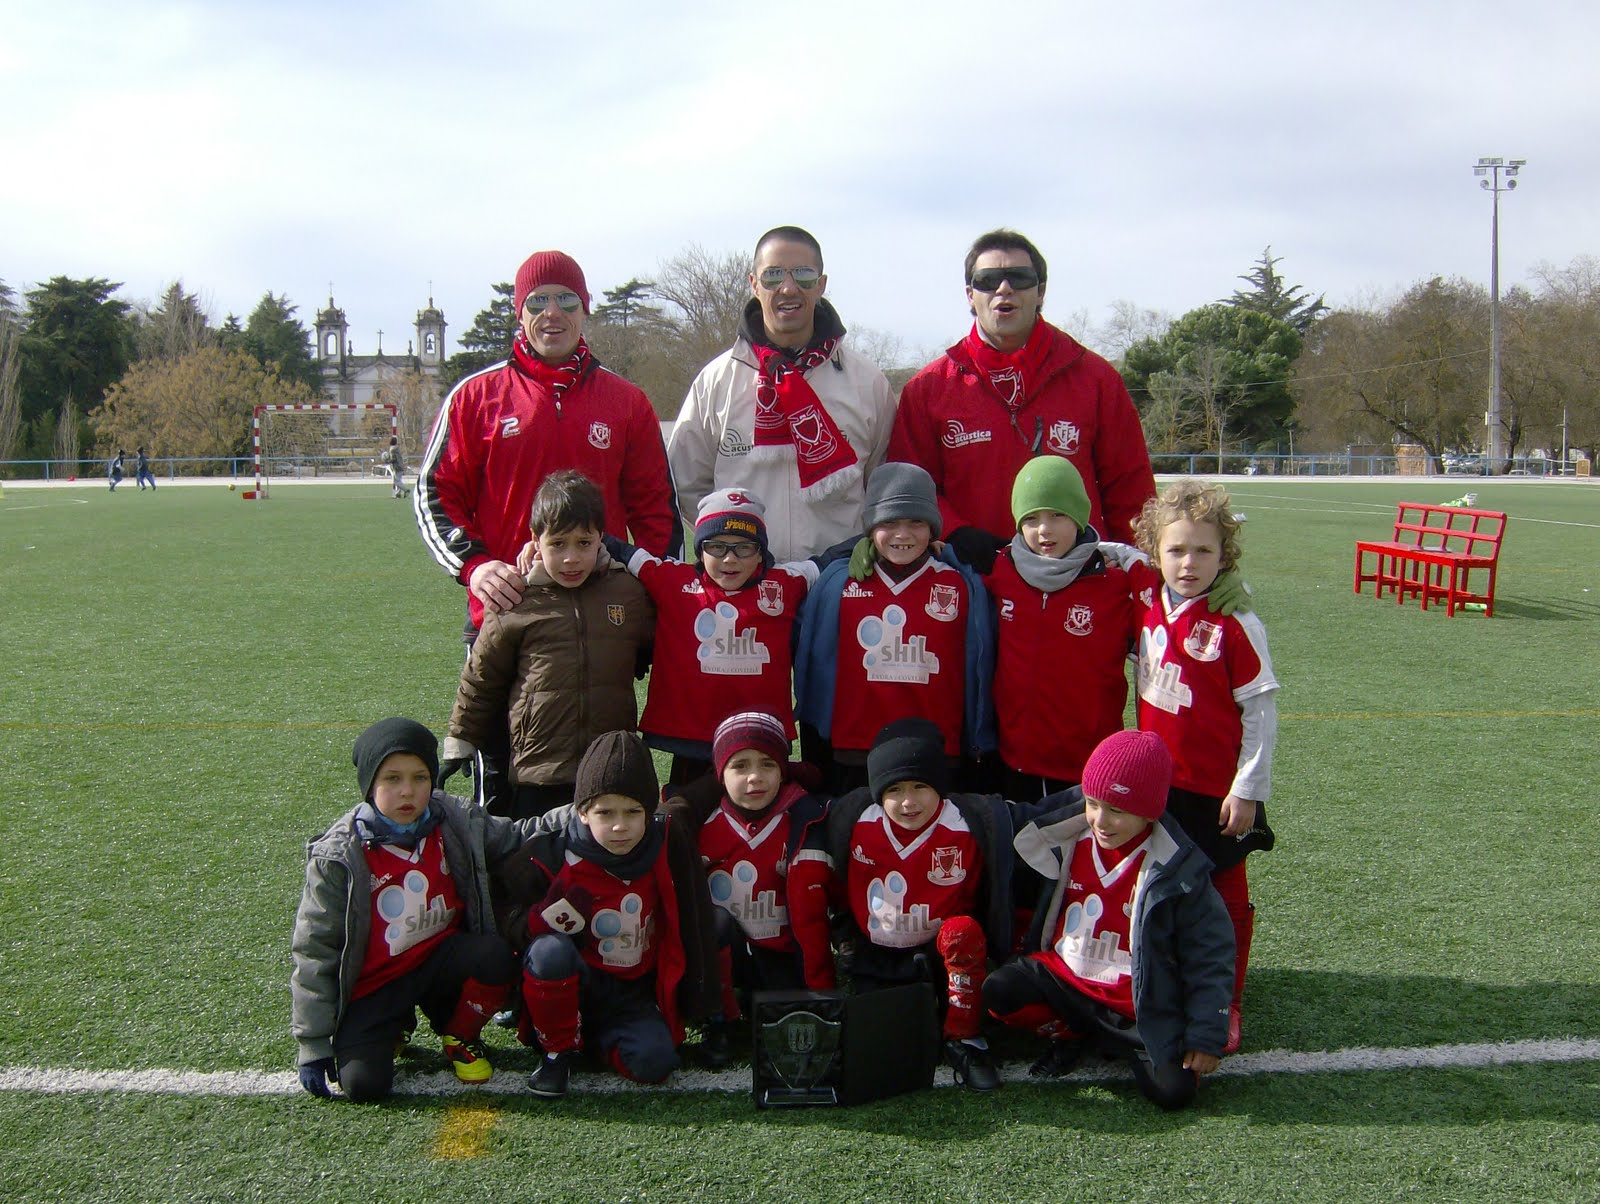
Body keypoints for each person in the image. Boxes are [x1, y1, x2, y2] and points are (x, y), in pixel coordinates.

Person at [414, 249, 679, 810]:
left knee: (605, 791)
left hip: (604, 625)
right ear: (520, 312)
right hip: (507, 617)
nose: (551, 313)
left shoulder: (627, 402)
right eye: (537, 301)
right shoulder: (476, 396)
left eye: (566, 300)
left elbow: (658, 510)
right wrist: (475, 566)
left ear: (586, 309)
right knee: (502, 800)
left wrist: (644, 593)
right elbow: (436, 492)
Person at [983, 729, 1235, 1111]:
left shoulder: (1179, 867)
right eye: (1092, 803)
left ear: (1150, 811)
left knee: (1173, 1093)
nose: (1100, 820)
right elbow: (1004, 820)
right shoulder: (1068, 838)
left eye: (1117, 810)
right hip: (1065, 977)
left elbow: (1210, 952)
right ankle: (1071, 1032)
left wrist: (1206, 1032)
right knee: (999, 990)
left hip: (1133, 1002)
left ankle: (1112, 1040)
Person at [290, 718, 525, 1102]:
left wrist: (590, 811)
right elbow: (315, 949)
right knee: (364, 1085)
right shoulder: (338, 854)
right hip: (378, 983)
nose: (407, 791)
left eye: (420, 778)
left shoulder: (452, 818)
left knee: (496, 956)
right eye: (392, 779)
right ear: (369, 785)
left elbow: (519, 836)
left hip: (439, 964)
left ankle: (460, 1034)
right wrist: (313, 1043)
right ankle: (394, 1022)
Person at [887, 229, 1155, 564]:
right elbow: (909, 489)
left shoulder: (1096, 379)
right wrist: (958, 534)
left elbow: (1131, 491)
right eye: (988, 280)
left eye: (1019, 277)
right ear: (970, 295)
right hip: (968, 574)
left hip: (1073, 579)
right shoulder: (928, 389)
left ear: (1040, 291)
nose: (1004, 288)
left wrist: (1140, 570)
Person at [1132, 478, 1279, 1055]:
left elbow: (1260, 712)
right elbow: (1110, 553)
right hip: (1157, 787)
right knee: (1159, 888)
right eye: (1176, 550)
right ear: (1155, 553)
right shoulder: (1146, 601)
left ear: (1225, 556)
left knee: (1225, 895)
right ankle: (1165, 983)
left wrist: (1247, 789)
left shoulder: (1236, 621)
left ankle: (1228, 1002)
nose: (1188, 563)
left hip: (1216, 792)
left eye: (1203, 550)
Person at [789, 718, 1014, 1092]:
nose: (908, 801)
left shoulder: (969, 821)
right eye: (894, 789)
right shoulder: (853, 819)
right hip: (877, 951)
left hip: (943, 953)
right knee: (886, 1047)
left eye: (920, 786)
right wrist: (844, 932)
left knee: (962, 931)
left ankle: (965, 1038)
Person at [490, 731, 718, 1098]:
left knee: (655, 1063)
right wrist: (536, 921)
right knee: (549, 951)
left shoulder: (666, 843)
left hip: (631, 993)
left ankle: (590, 1040)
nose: (619, 826)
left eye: (633, 812)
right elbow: (502, 909)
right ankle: (556, 1051)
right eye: (605, 812)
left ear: (650, 811)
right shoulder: (549, 854)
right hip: (573, 981)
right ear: (581, 810)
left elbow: (693, 917)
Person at [667, 225, 896, 562]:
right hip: (745, 580)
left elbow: (883, 486)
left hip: (837, 578)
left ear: (821, 284)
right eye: (773, 275)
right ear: (753, 283)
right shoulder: (716, 382)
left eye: (803, 275)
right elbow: (686, 487)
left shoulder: (867, 382)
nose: (788, 288)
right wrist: (731, 551)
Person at [440, 471, 653, 819]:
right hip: (539, 770)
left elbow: (660, 649)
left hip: (609, 767)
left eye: (583, 543)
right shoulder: (516, 599)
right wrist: (461, 739)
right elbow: (482, 676)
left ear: (601, 537)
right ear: (536, 540)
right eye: (558, 544)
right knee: (540, 852)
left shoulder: (627, 593)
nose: (571, 557)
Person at [794, 462, 994, 793]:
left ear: (933, 528)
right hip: (854, 748)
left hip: (935, 751)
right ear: (870, 527)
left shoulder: (961, 584)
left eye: (916, 522)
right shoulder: (841, 582)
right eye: (889, 522)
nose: (903, 534)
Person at [607, 487, 819, 788]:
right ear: (700, 551)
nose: (730, 559)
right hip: (692, 736)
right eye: (716, 547)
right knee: (685, 810)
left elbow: (830, 560)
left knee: (757, 810)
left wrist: (869, 543)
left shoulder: (786, 582)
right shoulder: (672, 579)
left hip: (757, 736)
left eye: (744, 547)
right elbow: (623, 551)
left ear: (761, 552)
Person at [666, 710, 830, 1064]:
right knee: (716, 923)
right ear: (719, 775)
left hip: (780, 955)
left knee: (786, 1024)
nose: (755, 777)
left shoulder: (801, 819)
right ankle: (718, 1018)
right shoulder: (702, 825)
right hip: (722, 957)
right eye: (740, 766)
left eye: (768, 764)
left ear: (783, 771)